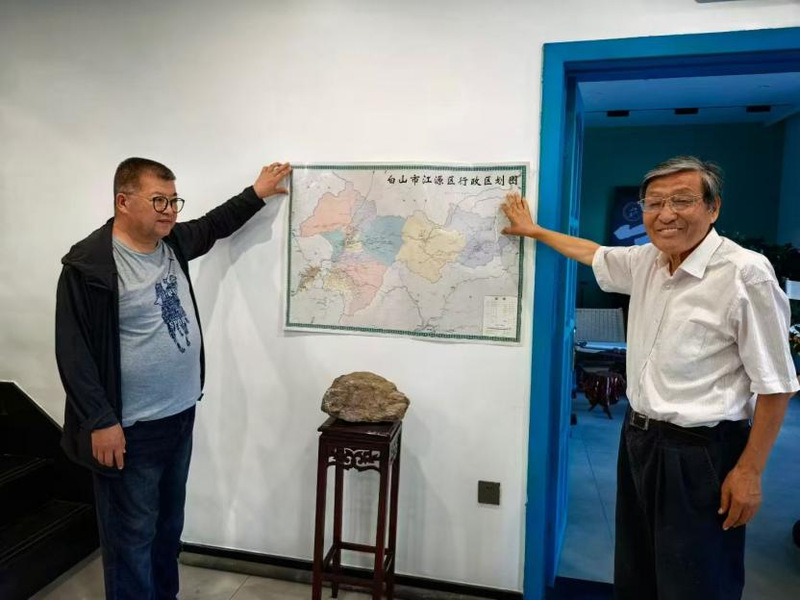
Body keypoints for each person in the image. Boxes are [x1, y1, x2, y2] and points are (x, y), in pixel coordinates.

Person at [502, 156, 799, 600]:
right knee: (637, 570)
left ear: (713, 208)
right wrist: (535, 231)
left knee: (696, 581)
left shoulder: (745, 273)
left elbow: (776, 385)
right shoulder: (648, 260)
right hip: (638, 438)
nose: (666, 214)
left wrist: (749, 472)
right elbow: (592, 253)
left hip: (701, 452)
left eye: (682, 200)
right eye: (654, 202)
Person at [55, 157, 291, 600]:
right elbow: (74, 353)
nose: (169, 211)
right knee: (131, 539)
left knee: (167, 530)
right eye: (158, 201)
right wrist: (100, 421)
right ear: (123, 202)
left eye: (174, 201)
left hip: (179, 417)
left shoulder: (172, 242)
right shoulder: (89, 266)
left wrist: (257, 193)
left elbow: (214, 224)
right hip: (129, 430)